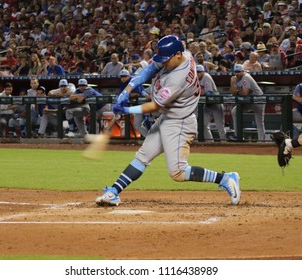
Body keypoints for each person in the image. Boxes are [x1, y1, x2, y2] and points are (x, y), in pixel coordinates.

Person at [95, 35, 240, 207]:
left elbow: (155, 106)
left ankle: (225, 178)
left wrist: (127, 110)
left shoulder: (178, 78)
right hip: (168, 117)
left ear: (178, 55)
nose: (163, 63)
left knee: (177, 172)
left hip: (180, 123)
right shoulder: (181, 55)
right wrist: (128, 89)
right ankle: (114, 191)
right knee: (142, 157)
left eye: (166, 60)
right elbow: (149, 69)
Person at [229, 64, 266, 141]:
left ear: (243, 71)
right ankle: (238, 135)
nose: (237, 73)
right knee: (234, 111)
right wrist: (232, 83)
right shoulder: (235, 79)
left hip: (257, 100)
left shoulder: (246, 77)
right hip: (247, 101)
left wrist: (237, 92)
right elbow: (233, 93)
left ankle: (262, 141)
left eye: (239, 72)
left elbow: (245, 92)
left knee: (259, 121)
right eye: (236, 72)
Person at [196, 64, 226, 141]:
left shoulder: (206, 76)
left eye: (199, 72)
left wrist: (199, 92)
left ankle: (224, 142)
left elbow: (208, 93)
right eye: (196, 72)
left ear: (203, 72)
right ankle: (210, 142)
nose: (197, 73)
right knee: (203, 124)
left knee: (220, 125)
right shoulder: (196, 79)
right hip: (207, 104)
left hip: (216, 103)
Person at [118, 69, 148, 138]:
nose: (123, 78)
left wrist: (125, 95)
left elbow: (136, 94)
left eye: (125, 76)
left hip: (144, 104)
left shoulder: (134, 81)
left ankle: (149, 138)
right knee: (137, 124)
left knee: (142, 123)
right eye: (121, 77)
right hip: (136, 105)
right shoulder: (123, 83)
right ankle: (149, 137)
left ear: (129, 76)